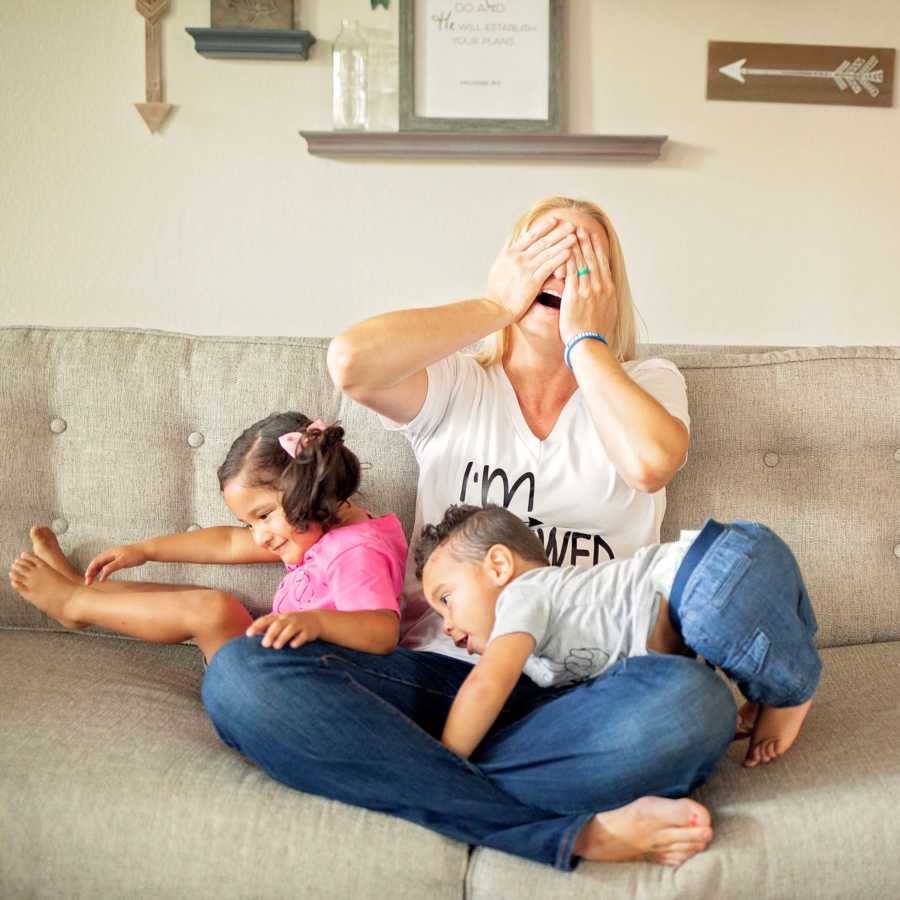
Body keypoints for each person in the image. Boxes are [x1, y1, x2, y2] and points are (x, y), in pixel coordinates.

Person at [200, 195, 738, 871]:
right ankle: (566, 832)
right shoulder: (458, 382)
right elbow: (350, 363)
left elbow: (652, 462)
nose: (559, 269)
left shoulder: (646, 381)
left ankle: (411, 776)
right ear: (512, 263)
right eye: (542, 249)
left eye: (582, 258)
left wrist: (588, 344)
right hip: (439, 680)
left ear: (610, 285)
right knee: (241, 677)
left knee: (694, 706)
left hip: (580, 693)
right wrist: (493, 307)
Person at [414, 503, 821, 770]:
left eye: (447, 599)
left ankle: (791, 690)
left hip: (711, 572)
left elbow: (486, 685)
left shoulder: (522, 596)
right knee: (698, 639)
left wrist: (449, 761)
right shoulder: (559, 628)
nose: (446, 625)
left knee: (707, 618)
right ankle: (762, 685)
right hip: (735, 566)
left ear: (498, 566)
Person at [9, 413, 406, 662]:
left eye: (263, 516)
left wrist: (315, 622)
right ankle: (81, 593)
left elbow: (381, 631)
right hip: (281, 667)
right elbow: (228, 543)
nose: (259, 536)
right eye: (252, 523)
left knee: (214, 610)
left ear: (311, 492)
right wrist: (143, 551)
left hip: (299, 687)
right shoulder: (315, 531)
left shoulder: (357, 550)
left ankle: (75, 603)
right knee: (198, 599)